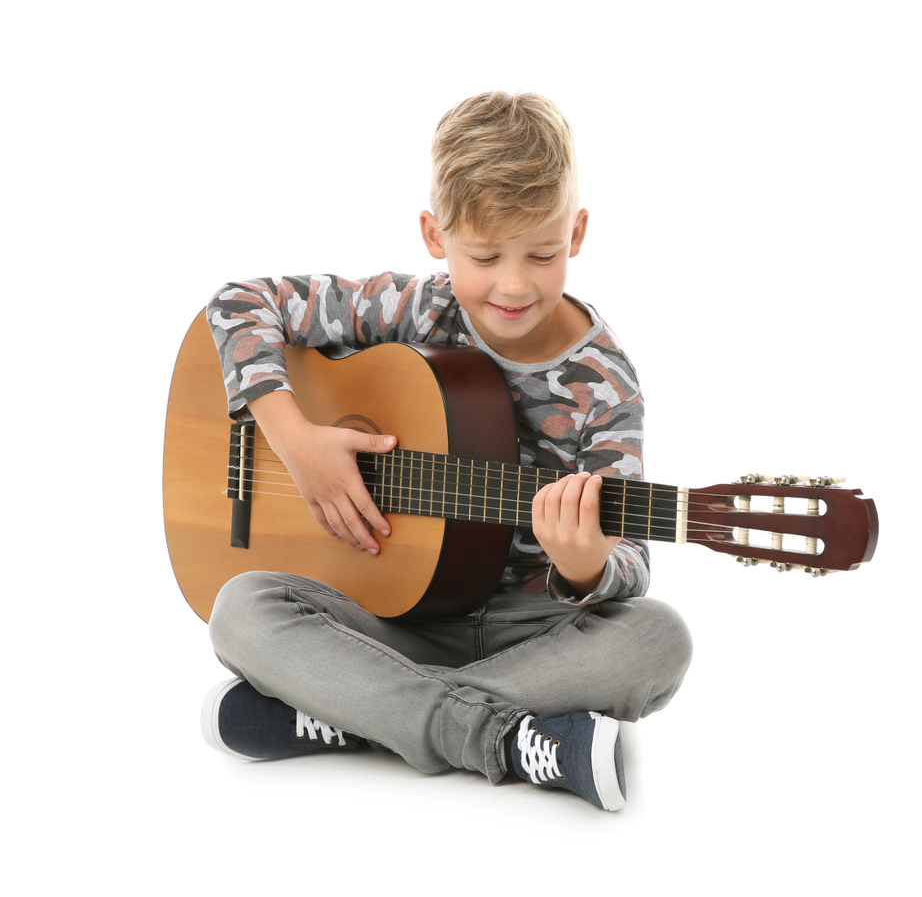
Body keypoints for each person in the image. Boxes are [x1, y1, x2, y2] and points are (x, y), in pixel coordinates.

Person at [201, 91, 692, 811]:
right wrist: (296, 439)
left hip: (534, 638)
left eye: (543, 252)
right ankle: (505, 739)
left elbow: (631, 566)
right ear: (436, 233)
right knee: (241, 608)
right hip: (395, 622)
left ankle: (358, 717)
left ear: (578, 231)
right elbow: (239, 303)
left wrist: (586, 565)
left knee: (658, 641)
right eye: (485, 254)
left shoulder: (606, 382)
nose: (514, 283)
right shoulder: (416, 308)